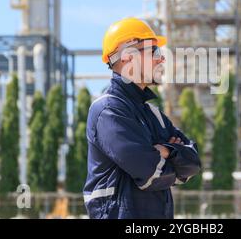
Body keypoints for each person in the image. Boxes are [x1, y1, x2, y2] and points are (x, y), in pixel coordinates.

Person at [83, 17, 201, 219]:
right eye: (154, 51)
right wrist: (174, 159)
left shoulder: (152, 113)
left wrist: (166, 151)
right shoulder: (109, 111)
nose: (161, 59)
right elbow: (151, 175)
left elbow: (193, 164)